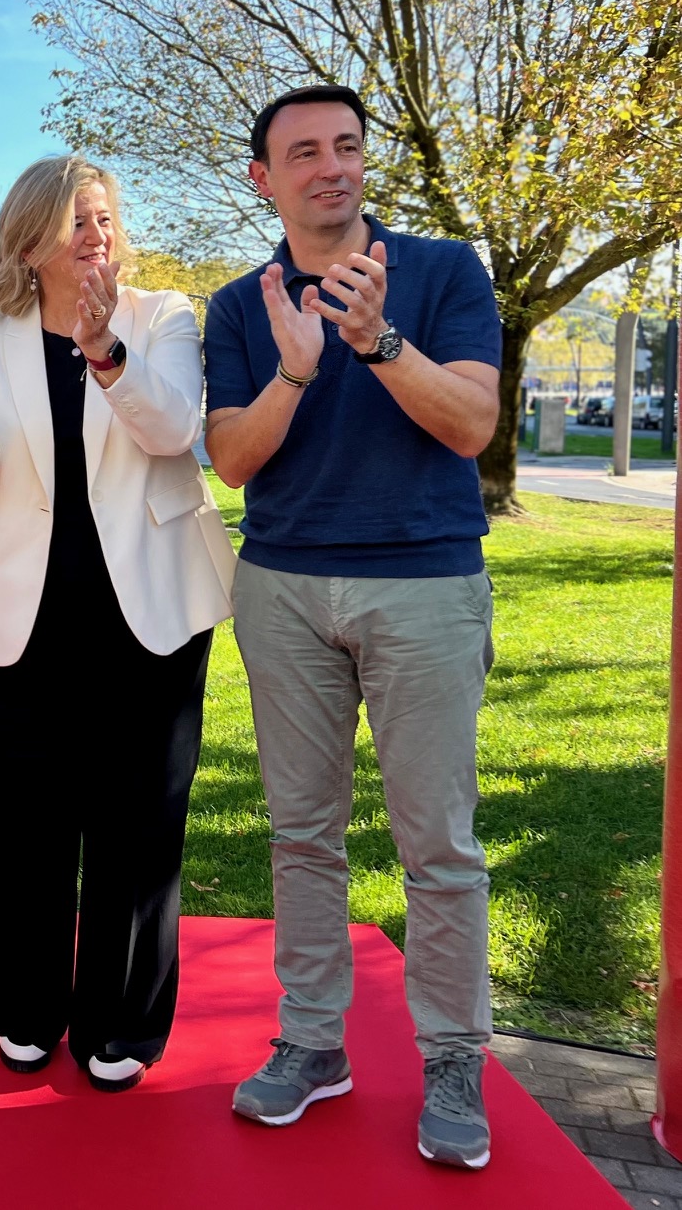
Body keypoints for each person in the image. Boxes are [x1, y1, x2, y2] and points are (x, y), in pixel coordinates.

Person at [204, 85, 502, 1169]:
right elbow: (234, 458)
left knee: (440, 845)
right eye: (305, 152)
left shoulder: (444, 272)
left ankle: (455, 1057)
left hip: (424, 586)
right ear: (264, 177)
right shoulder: (240, 305)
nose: (332, 166)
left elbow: (471, 422)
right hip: (284, 590)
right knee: (301, 836)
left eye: (346, 146)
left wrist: (378, 342)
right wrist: (297, 366)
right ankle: (314, 1042)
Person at [0, 155, 235, 1088]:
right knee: (27, 825)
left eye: (103, 216)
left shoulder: (163, 315)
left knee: (138, 828)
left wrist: (106, 353)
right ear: (30, 238)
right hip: (22, 621)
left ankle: (121, 1024)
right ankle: (26, 1008)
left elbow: (175, 431)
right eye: (75, 220)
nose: (96, 235)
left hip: (151, 616)